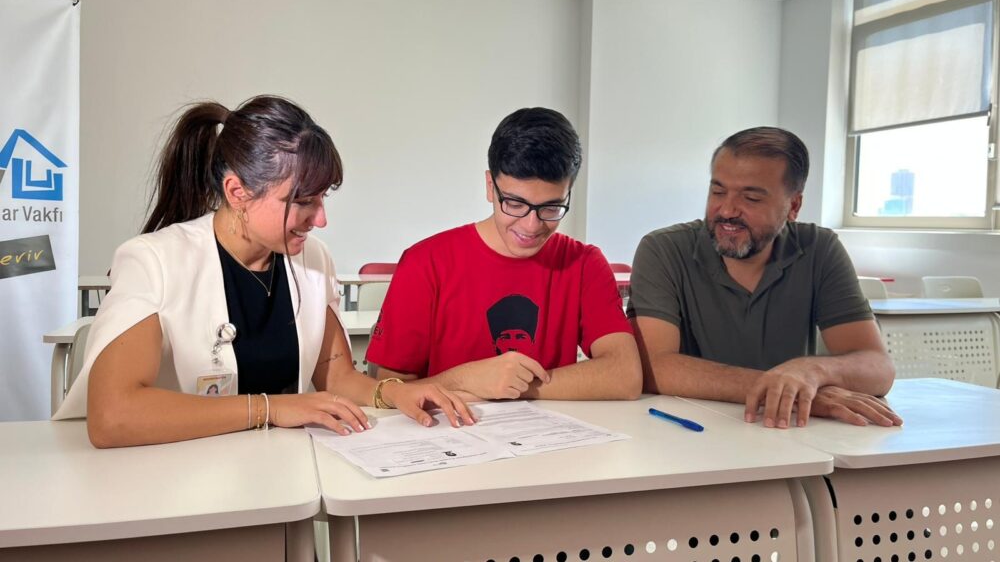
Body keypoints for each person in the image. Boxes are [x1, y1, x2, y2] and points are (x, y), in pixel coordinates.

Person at [53, 95, 473, 447]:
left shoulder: (313, 259)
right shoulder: (154, 261)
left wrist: (393, 392)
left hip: (281, 475)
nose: (320, 219)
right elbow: (112, 415)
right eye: (303, 201)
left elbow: (337, 376)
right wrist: (270, 409)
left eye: (322, 199)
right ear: (238, 192)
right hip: (175, 478)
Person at [628, 127, 901, 429]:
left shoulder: (818, 248)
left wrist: (811, 371)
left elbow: (878, 367)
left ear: (793, 206)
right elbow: (654, 367)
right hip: (689, 429)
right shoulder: (664, 249)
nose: (727, 210)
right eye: (718, 192)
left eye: (751, 198)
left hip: (789, 432)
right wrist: (784, 389)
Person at [366, 107, 641, 401]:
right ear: (490, 187)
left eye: (551, 207)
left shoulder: (584, 263)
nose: (531, 225)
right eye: (514, 204)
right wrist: (469, 379)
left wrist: (513, 386)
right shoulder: (425, 263)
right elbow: (392, 388)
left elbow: (625, 376)